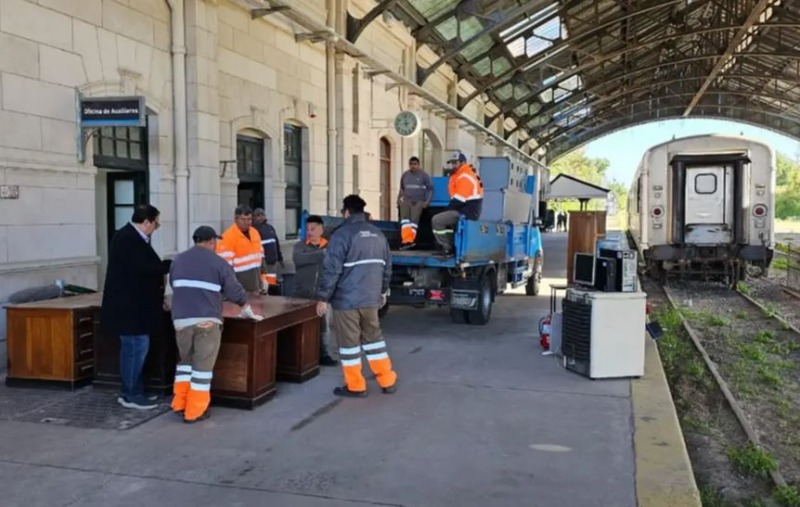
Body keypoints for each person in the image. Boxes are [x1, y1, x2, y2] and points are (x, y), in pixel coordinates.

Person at [169, 226, 263, 423]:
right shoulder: (218, 262)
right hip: (206, 320)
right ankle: (195, 411)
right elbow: (234, 291)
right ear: (212, 241)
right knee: (202, 367)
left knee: (185, 362)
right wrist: (245, 306)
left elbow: (175, 285)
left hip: (181, 320)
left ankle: (180, 402)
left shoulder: (178, 260)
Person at [316, 194, 397, 398]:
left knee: (349, 345)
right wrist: (382, 291)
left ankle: (356, 386)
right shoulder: (378, 234)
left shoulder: (341, 235)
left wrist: (323, 298)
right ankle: (387, 381)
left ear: (346, 212)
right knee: (375, 340)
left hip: (347, 300)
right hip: (371, 298)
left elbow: (331, 270)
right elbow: (387, 267)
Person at [101, 204, 170, 410]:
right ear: (147, 222)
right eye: (156, 223)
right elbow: (143, 268)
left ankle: (135, 390)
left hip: (137, 307)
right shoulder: (127, 238)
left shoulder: (134, 237)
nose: (156, 227)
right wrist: (167, 265)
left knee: (137, 347)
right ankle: (130, 394)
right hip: (129, 308)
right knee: (135, 348)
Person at [292, 215, 338, 367]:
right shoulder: (300, 246)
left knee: (323, 325)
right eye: (307, 229)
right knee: (302, 326)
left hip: (322, 295)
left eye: (313, 229)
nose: (310, 232)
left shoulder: (330, 247)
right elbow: (299, 259)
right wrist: (320, 254)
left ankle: (324, 354)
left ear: (321, 230)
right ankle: (302, 355)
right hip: (302, 294)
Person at [431, 151, 484, 255]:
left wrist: (447, 209)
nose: (453, 165)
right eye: (452, 163)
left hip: (466, 211)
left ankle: (446, 248)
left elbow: (459, 199)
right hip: (466, 209)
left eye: (455, 163)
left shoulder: (465, 176)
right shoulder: (464, 174)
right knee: (446, 220)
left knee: (437, 220)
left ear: (463, 162)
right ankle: (451, 246)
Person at [216, 205, 266, 294]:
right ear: (236, 219)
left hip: (256, 287)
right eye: (243, 219)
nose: (246, 222)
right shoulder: (227, 237)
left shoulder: (255, 233)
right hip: (239, 289)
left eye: (249, 219)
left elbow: (261, 257)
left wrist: (264, 278)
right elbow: (224, 269)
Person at [397, 156, 433, 250]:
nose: (413, 166)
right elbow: (402, 189)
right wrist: (398, 199)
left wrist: (427, 202)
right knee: (405, 221)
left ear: (419, 164)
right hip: (406, 201)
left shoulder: (424, 175)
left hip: (418, 202)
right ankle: (405, 240)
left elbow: (430, 189)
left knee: (414, 221)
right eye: (411, 164)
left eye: (415, 164)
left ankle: (411, 241)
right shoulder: (405, 175)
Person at [253, 208, 284, 287]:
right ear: (254, 217)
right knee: (263, 286)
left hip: (272, 263)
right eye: (258, 215)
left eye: (262, 214)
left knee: (271, 285)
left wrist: (280, 259)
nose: (261, 217)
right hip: (262, 265)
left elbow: (276, 244)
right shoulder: (253, 230)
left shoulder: (270, 228)